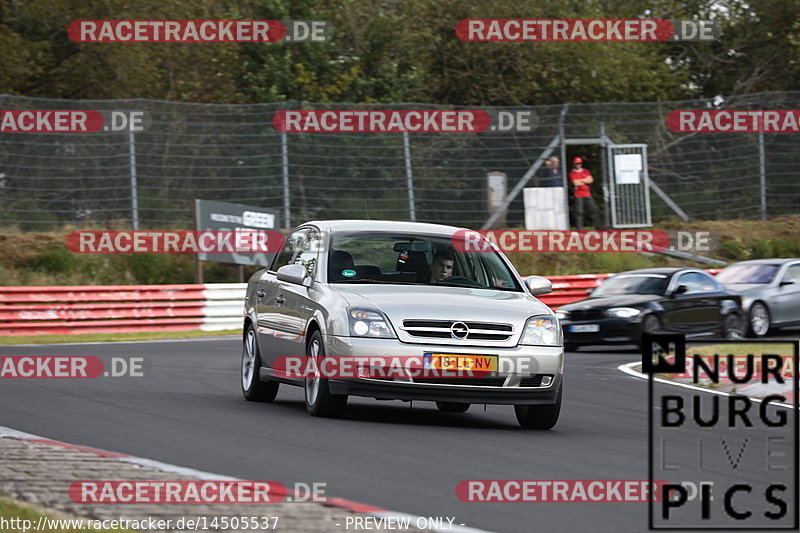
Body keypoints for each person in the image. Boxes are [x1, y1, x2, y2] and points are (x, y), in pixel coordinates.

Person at [569, 156, 601, 229]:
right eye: (577, 163)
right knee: (579, 212)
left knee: (594, 209)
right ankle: (579, 228)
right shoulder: (572, 173)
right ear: (574, 164)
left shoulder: (585, 171)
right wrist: (585, 180)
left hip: (587, 193)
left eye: (579, 163)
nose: (578, 165)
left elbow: (591, 180)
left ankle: (598, 227)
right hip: (578, 194)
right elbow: (575, 183)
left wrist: (581, 180)